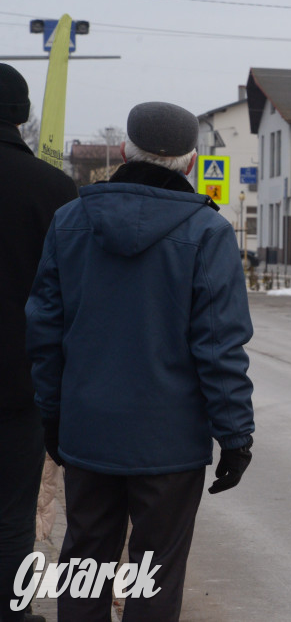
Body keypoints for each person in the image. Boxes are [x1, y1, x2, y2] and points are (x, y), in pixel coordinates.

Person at [25, 102, 255, 622]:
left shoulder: (71, 221)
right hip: (169, 445)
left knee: (84, 563)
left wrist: (53, 413)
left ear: (125, 151)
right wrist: (235, 435)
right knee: (155, 575)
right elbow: (219, 346)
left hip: (88, 432)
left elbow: (44, 330)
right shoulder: (208, 234)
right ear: (192, 163)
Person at [0, 64, 78, 622]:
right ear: (23, 115)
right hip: (18, 379)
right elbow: (69, 298)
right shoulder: (53, 190)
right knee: (11, 510)